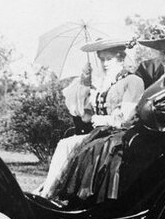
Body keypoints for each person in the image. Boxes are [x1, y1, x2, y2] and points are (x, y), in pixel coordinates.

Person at [39, 38, 144, 200]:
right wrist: (85, 83)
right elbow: (86, 117)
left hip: (119, 138)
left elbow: (127, 119)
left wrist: (104, 120)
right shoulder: (104, 85)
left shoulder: (133, 81)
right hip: (101, 134)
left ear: (121, 58)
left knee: (70, 145)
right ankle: (48, 191)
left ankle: (49, 193)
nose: (104, 64)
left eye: (109, 59)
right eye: (102, 59)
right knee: (66, 144)